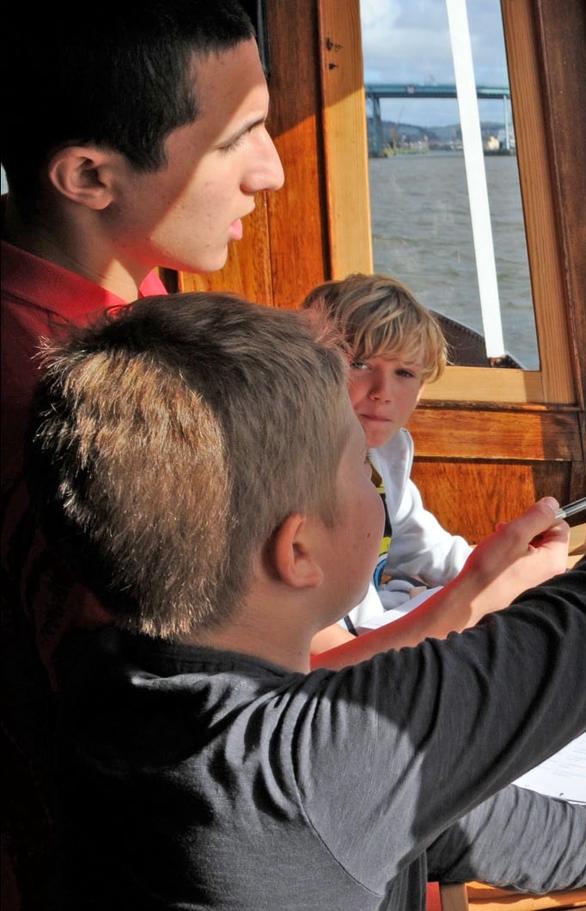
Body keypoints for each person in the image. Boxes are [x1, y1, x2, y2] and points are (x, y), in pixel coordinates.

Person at [27, 292, 586, 909]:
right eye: (361, 468)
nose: (378, 483)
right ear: (298, 549)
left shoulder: (108, 675)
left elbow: (418, 803)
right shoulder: (313, 760)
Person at [2, 3, 283, 904]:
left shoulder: (131, 274)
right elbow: (180, 729)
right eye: (238, 138)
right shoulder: (43, 398)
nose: (270, 172)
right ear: (89, 174)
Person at [303, 274, 472, 639]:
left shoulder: (384, 458)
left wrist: (505, 566)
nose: (383, 392)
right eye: (361, 364)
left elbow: (426, 547)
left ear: (422, 388)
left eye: (405, 373)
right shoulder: (300, 470)